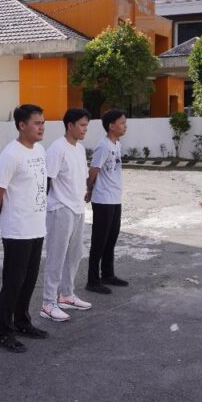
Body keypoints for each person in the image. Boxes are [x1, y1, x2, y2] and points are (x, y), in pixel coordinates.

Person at [0, 104, 49, 353]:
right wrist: (5, 217)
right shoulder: (11, 155)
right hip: (17, 230)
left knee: (29, 280)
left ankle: (23, 322)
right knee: (13, 283)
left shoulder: (40, 150)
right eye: (37, 123)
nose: (41, 127)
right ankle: (3, 332)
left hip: (36, 227)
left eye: (43, 123)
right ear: (22, 125)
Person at [41, 107, 93, 322]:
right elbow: (46, 180)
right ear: (70, 125)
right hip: (60, 208)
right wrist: (42, 209)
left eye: (86, 126)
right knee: (56, 256)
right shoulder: (57, 148)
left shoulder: (79, 149)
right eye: (82, 125)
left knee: (75, 254)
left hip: (78, 208)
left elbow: (82, 176)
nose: (85, 129)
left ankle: (66, 295)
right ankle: (48, 303)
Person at [85, 109, 129, 295]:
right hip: (103, 200)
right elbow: (93, 172)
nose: (125, 126)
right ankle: (92, 280)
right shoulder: (103, 146)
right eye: (122, 123)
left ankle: (108, 274)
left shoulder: (116, 144)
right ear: (111, 126)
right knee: (99, 241)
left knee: (111, 238)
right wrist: (89, 191)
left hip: (115, 198)